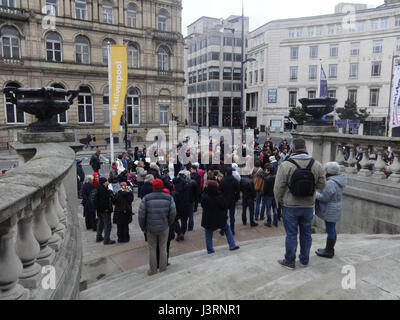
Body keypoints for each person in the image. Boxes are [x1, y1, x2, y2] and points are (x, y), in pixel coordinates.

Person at [274, 138, 326, 270]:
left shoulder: (285, 165)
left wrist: (279, 201)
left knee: (291, 234)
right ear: (306, 148)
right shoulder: (317, 165)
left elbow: (278, 187)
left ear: (292, 149)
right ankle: (304, 259)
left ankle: (290, 261)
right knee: (306, 233)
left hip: (290, 205)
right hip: (308, 205)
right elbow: (322, 185)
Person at [138, 178, 176, 276]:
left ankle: (153, 270)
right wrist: (169, 223)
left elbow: (141, 214)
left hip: (150, 228)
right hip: (164, 226)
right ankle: (163, 268)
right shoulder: (168, 197)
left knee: (152, 249)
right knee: (163, 248)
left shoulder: (146, 198)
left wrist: (142, 226)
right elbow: (173, 213)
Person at [315, 162, 347, 259]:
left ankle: (328, 251)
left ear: (328, 171)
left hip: (330, 208)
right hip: (335, 206)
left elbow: (324, 197)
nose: (323, 171)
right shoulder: (338, 180)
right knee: (332, 228)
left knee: (330, 229)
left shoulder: (330, 183)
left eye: (325, 170)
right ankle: (329, 249)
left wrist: (314, 194)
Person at [201, 181, 240, 254]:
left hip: (208, 219)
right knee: (227, 229)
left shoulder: (205, 197)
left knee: (208, 234)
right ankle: (232, 245)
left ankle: (210, 250)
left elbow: (202, 205)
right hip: (219, 218)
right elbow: (224, 206)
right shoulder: (219, 197)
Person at [218, 167, 240, 235]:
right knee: (232, 216)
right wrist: (236, 199)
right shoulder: (235, 180)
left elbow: (219, 190)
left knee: (224, 215)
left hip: (224, 200)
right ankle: (232, 229)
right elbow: (238, 191)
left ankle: (222, 229)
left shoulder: (223, 180)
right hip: (232, 200)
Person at [95, 177, 116, 245]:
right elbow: (104, 201)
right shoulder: (103, 190)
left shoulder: (98, 188)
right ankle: (107, 240)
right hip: (105, 210)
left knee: (100, 223)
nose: (107, 182)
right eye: (106, 181)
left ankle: (99, 237)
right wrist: (107, 209)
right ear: (104, 182)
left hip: (99, 210)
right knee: (107, 225)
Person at [172, 172, 191, 241]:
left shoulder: (174, 192)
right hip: (186, 207)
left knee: (174, 220)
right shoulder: (187, 187)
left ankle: (179, 233)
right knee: (184, 221)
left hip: (177, 209)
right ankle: (182, 233)